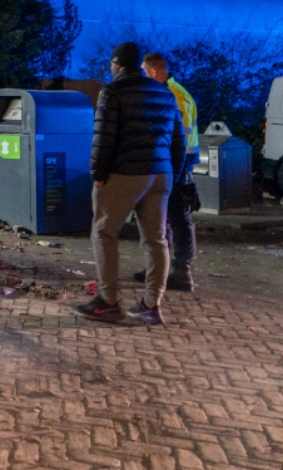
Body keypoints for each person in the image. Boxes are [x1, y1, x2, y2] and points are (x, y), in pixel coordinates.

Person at [77, 42, 186, 325]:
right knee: (156, 240)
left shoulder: (113, 90)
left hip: (125, 174)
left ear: (117, 64)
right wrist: (172, 173)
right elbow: (179, 140)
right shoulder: (164, 91)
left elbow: (104, 136)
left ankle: (109, 301)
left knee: (104, 232)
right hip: (160, 174)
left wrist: (98, 174)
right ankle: (152, 305)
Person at [134, 52, 200, 292]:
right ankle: (160, 268)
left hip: (178, 164)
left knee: (178, 219)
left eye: (143, 72)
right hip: (173, 162)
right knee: (165, 218)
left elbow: (178, 140)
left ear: (153, 72)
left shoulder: (176, 96)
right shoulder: (173, 93)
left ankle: (182, 272)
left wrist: (177, 171)